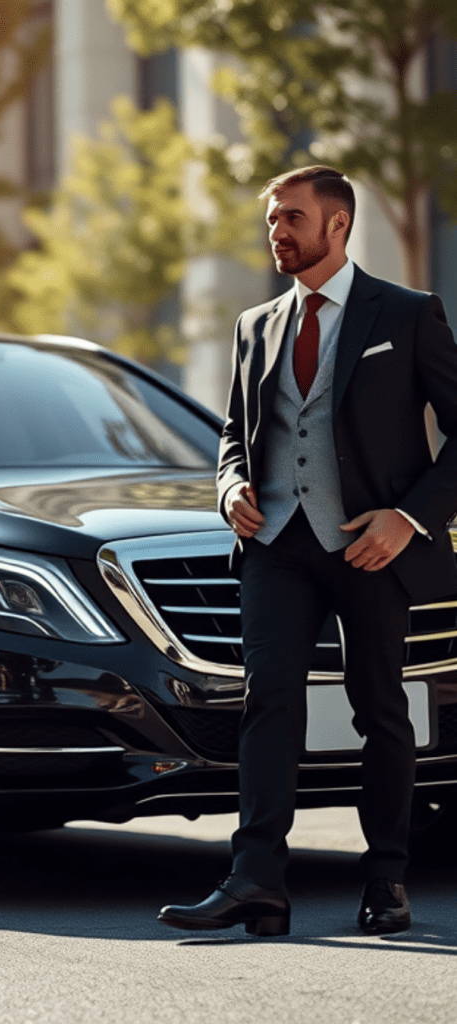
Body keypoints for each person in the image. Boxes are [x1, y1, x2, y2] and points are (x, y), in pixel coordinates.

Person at [158, 165, 457, 937]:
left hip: (369, 546)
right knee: (268, 701)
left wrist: (410, 518)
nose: (277, 232)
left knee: (379, 709)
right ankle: (255, 880)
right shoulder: (254, 325)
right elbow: (233, 434)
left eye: (291, 217)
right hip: (277, 547)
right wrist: (228, 490)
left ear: (337, 225)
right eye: (271, 220)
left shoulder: (407, 312)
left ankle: (386, 880)